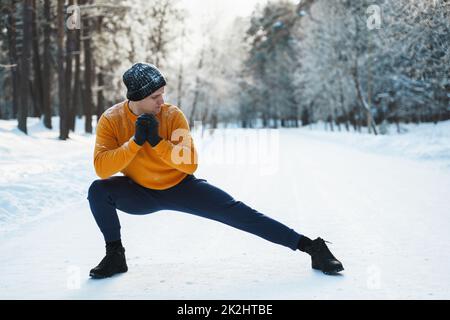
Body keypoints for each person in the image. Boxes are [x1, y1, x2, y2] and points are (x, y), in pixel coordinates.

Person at [87, 63, 344, 279]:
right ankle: (115, 256)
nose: (161, 101)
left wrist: (156, 142)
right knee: (98, 191)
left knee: (242, 214)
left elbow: (189, 162)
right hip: (140, 194)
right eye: (155, 97)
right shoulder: (111, 120)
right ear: (136, 98)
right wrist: (134, 143)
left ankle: (311, 247)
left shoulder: (172, 116)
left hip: (181, 186)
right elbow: (102, 167)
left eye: (162, 94)